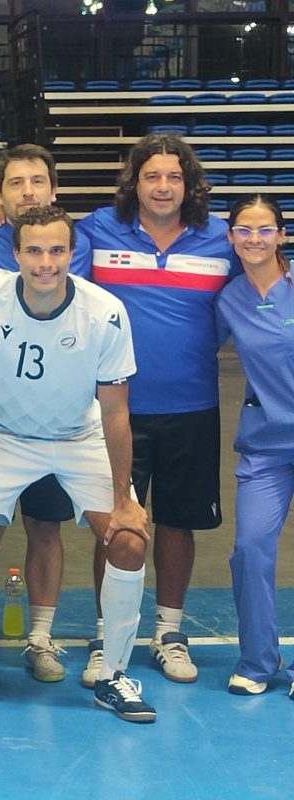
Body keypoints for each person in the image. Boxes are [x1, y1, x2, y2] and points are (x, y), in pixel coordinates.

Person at [0, 204, 154, 723]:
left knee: (128, 540)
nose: (46, 262)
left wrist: (123, 500)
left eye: (57, 250)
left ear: (72, 253)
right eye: (34, 250)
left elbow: (116, 411)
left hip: (79, 437)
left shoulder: (104, 312)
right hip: (2, 435)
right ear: (15, 254)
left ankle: (114, 675)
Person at [76, 133, 235, 686]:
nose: (163, 187)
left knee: (176, 523)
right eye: (151, 176)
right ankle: (107, 638)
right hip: (116, 409)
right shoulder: (97, 231)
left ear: (189, 185)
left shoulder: (221, 240)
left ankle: (169, 632)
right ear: (134, 183)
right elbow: (46, 259)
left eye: (174, 177)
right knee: (116, 524)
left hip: (193, 406)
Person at [0, 144, 89, 681]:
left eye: (37, 182)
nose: (28, 191)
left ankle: (40, 638)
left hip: (55, 416)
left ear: (55, 190)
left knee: (45, 527)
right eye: (15, 183)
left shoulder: (79, 240)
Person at [213, 195, 294, 696]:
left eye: (265, 229)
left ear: (282, 235)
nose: (255, 239)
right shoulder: (229, 299)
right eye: (244, 230)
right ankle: (260, 660)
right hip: (266, 445)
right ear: (231, 238)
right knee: (250, 549)